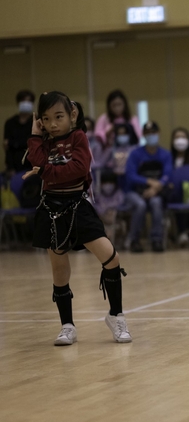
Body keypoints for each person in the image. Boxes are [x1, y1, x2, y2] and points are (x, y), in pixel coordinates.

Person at [22, 91, 131, 346]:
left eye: (58, 117)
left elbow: (78, 169)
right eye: (46, 119)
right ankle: (67, 325)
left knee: (111, 257)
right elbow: (36, 159)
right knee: (60, 271)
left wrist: (47, 171)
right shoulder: (42, 141)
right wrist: (35, 136)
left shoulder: (79, 137)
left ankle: (116, 315)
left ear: (72, 115)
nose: (52, 124)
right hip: (51, 209)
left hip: (78, 206)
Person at [123, 121, 172, 253]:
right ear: (144, 135)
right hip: (134, 192)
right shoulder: (135, 154)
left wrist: (156, 188)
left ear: (158, 133)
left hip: (155, 192)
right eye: (148, 133)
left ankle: (157, 240)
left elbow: (167, 175)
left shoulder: (165, 154)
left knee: (156, 203)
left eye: (153, 132)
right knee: (140, 205)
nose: (151, 135)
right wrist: (149, 181)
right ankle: (134, 240)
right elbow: (130, 176)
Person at [4, 89, 35, 175]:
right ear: (18, 103)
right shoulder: (10, 123)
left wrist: (13, 143)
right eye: (23, 101)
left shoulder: (35, 122)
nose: (26, 103)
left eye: (29, 101)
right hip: (14, 166)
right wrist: (10, 167)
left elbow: (33, 143)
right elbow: (7, 147)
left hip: (31, 165)